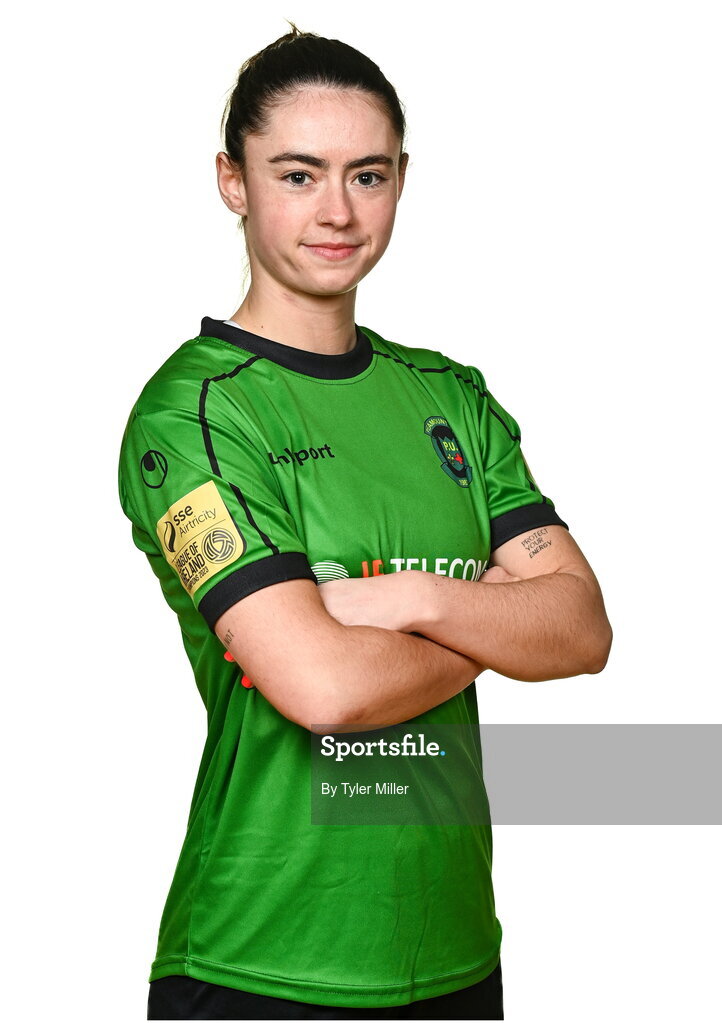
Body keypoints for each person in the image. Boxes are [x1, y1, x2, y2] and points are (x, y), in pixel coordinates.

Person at [118, 23, 612, 1021]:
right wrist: (493, 622)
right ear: (232, 180)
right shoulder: (195, 415)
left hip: (454, 950)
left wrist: (410, 598)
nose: (337, 211)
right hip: (262, 960)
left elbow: (582, 632)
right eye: (297, 175)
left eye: (367, 175)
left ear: (399, 181)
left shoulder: (449, 399)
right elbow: (324, 687)